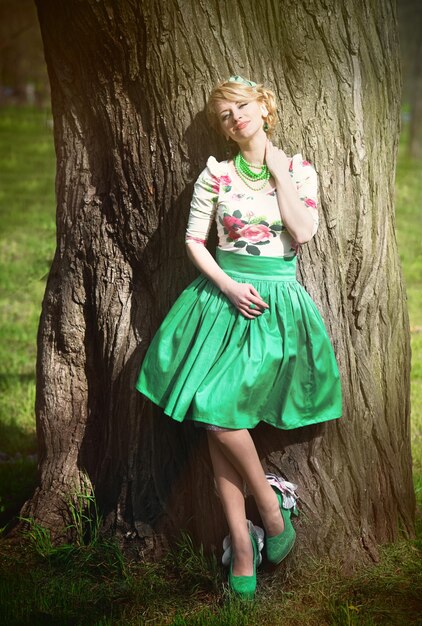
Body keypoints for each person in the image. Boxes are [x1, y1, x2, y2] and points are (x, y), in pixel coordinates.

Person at [136, 75, 342, 599]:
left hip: (274, 307)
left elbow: (303, 231)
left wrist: (278, 173)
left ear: (264, 108)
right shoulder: (217, 176)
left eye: (242, 106)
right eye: (225, 115)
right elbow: (193, 241)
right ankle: (259, 528)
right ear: (222, 130)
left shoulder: (296, 170)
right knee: (214, 415)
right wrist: (227, 286)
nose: (236, 117)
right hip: (220, 302)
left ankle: (257, 529)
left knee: (215, 415)